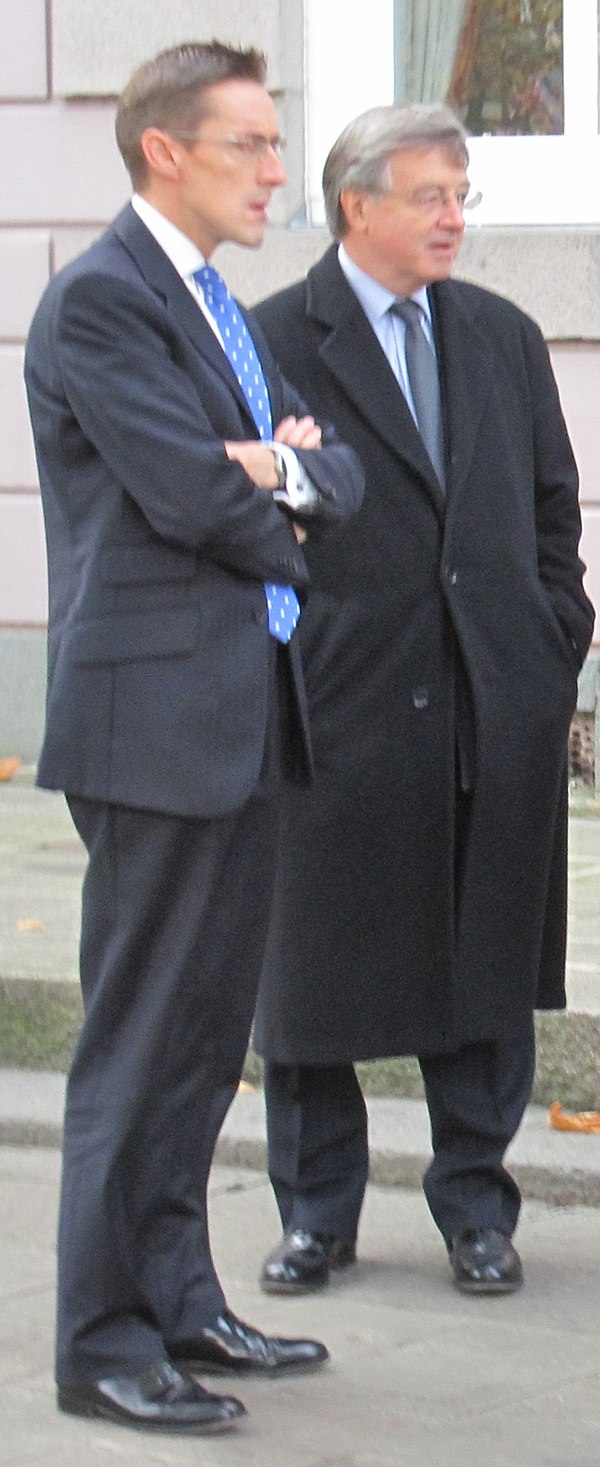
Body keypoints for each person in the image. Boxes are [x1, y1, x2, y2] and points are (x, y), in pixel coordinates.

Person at [24, 41, 363, 1436]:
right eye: (255, 146)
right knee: (140, 1036)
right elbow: (181, 492)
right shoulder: (101, 301)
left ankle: (177, 1299)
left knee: (204, 1037)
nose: (281, 172)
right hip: (153, 721)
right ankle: (100, 1339)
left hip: (239, 710)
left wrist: (278, 468)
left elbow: (332, 471)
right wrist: (273, 485)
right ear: (168, 150)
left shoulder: (219, 303)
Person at [251, 103, 595, 1301]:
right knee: (309, 972)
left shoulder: (500, 336)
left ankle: (476, 1210)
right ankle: (315, 1216)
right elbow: (243, 528)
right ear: (359, 206)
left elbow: (554, 511)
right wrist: (286, 664)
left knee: (484, 963)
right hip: (335, 709)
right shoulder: (273, 338)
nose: (456, 217)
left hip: (491, 696)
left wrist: (553, 643)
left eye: (464, 195)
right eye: (432, 195)